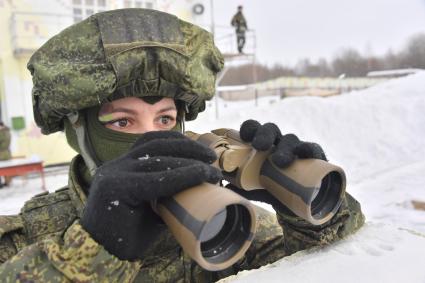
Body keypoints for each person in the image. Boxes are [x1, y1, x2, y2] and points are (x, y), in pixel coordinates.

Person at [0, 9, 364, 282]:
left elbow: (325, 269)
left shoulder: (225, 220)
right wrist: (93, 250)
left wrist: (313, 209)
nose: (152, 139)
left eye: (165, 119)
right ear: (78, 132)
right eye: (122, 122)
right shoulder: (27, 238)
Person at [0, 121, 12, 187]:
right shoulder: (7, 131)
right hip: (7, 153)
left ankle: (6, 182)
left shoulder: (2, 132)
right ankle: (7, 182)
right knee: (7, 168)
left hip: (2, 153)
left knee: (3, 169)